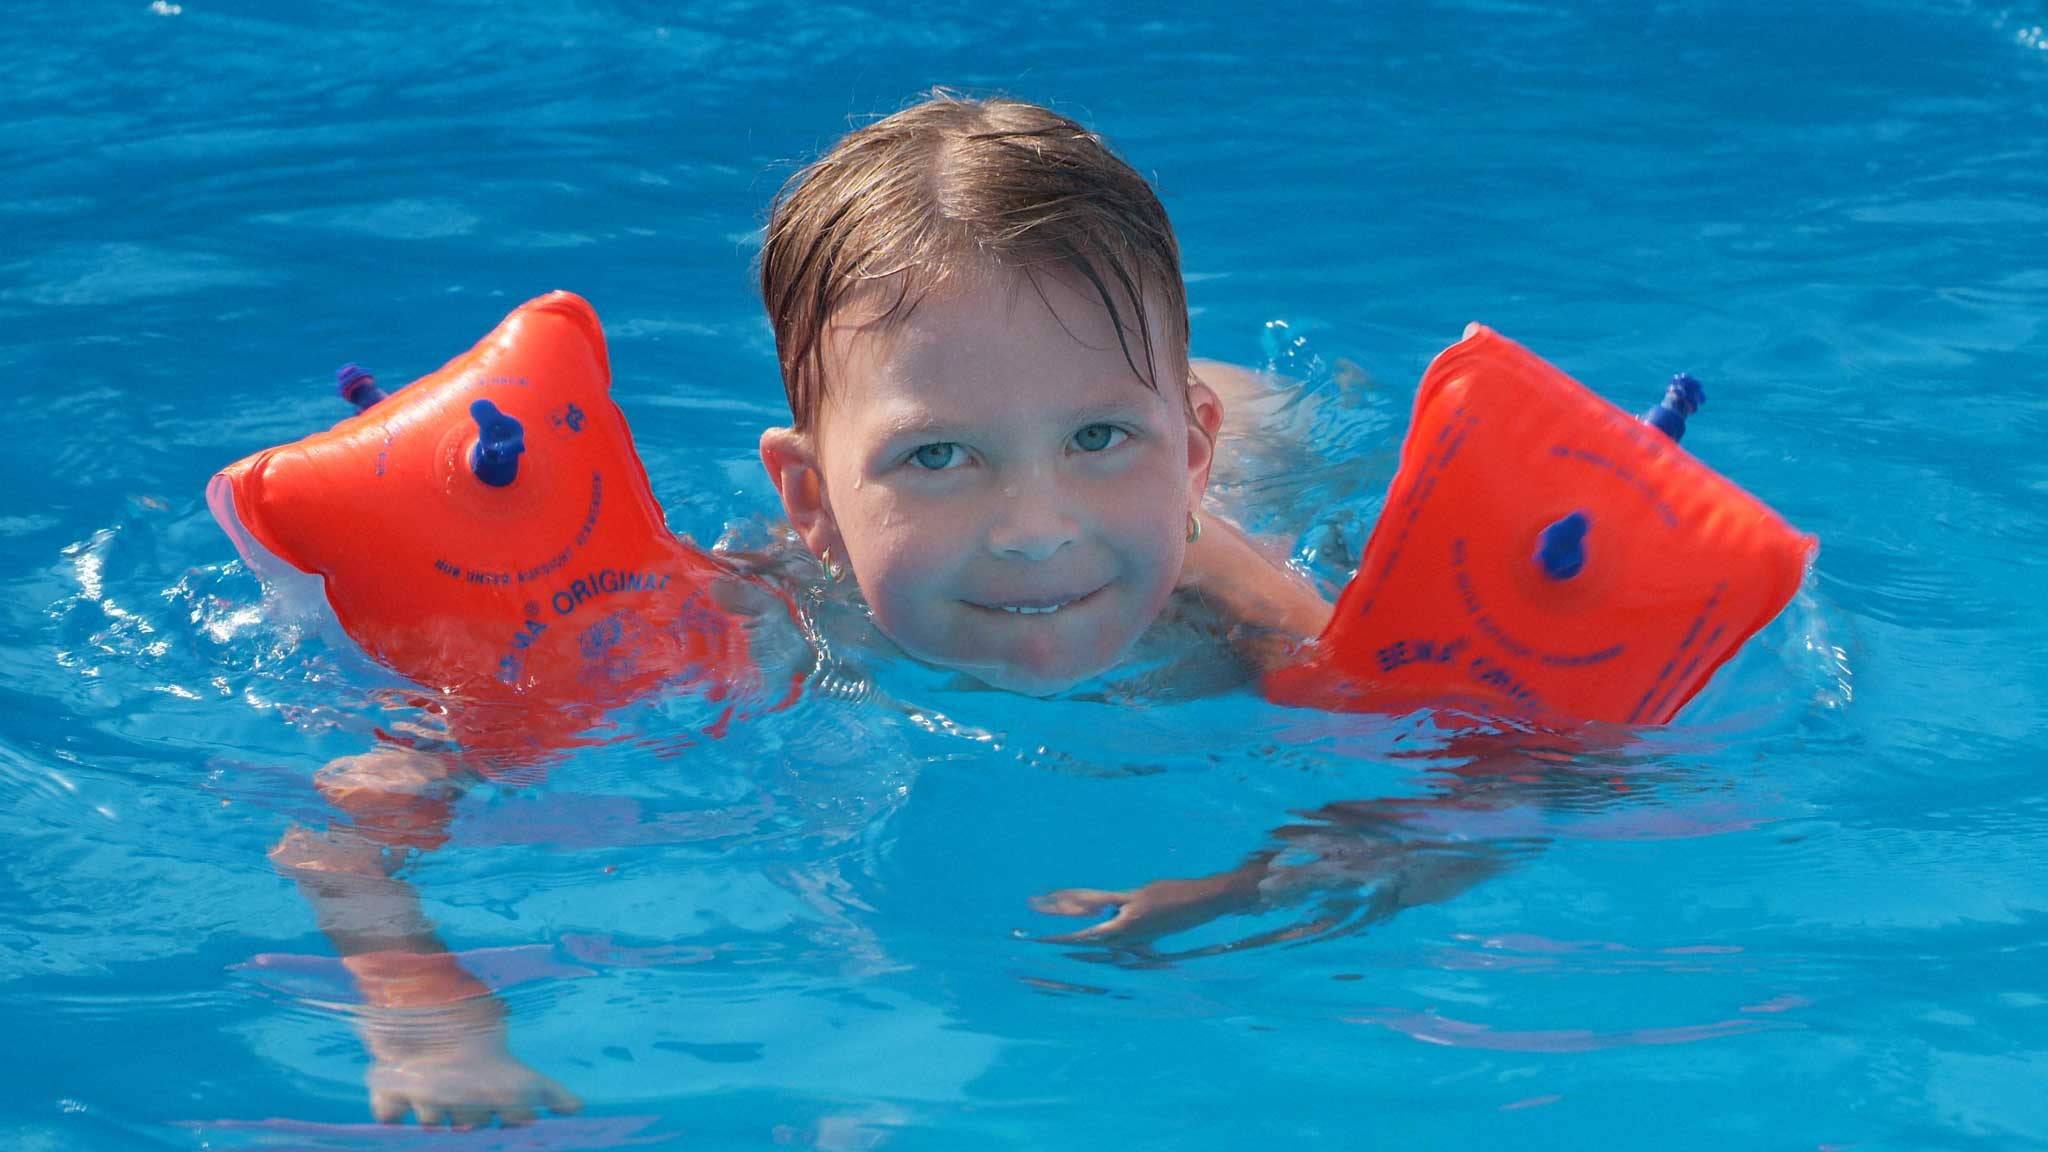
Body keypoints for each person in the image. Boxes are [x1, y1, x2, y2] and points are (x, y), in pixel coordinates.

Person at [270, 91, 1383, 1129]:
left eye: (1100, 438)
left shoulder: (1253, 618)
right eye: (936, 456)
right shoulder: (758, 610)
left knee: (1299, 414)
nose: (1035, 529)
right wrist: (425, 1010)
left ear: (1187, 454)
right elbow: (346, 833)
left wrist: (1239, 893)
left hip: (1265, 453)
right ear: (810, 500)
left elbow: (1448, 802)